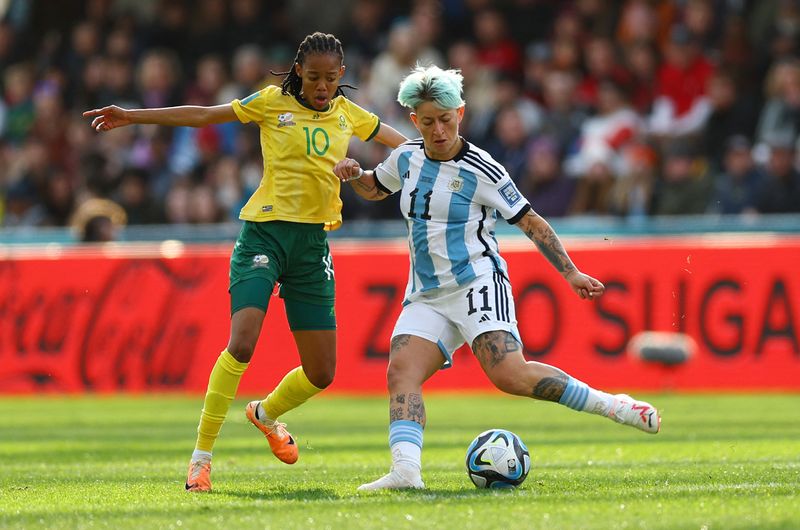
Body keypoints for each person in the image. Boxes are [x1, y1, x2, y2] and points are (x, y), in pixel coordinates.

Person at [84, 32, 407, 493]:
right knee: (243, 342)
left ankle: (266, 413)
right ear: (298, 72)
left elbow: (407, 148)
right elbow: (202, 115)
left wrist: (443, 151)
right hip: (265, 235)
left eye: (329, 79)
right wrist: (131, 115)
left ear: (342, 77)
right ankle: (201, 459)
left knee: (322, 373)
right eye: (313, 77)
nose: (321, 86)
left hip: (312, 247)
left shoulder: (350, 115)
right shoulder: (271, 102)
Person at [332, 65, 660, 491]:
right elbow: (378, 187)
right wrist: (356, 178)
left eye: (445, 120)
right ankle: (406, 473)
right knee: (400, 373)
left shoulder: (482, 169)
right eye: (428, 122)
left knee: (510, 375)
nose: (438, 130)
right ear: (415, 121)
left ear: (461, 113)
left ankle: (614, 406)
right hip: (427, 294)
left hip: (477, 284)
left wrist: (571, 272)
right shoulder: (407, 157)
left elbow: (532, 223)